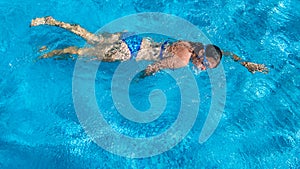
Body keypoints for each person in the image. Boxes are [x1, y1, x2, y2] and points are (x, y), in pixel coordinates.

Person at [30, 16, 269, 76]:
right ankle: (50, 53)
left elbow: (221, 51)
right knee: (83, 54)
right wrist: (140, 79)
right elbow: (153, 68)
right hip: (129, 51)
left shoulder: (194, 45)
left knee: (91, 37)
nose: (204, 68)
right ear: (200, 58)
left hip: (136, 39)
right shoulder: (181, 61)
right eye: (205, 65)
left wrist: (243, 62)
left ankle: (52, 22)